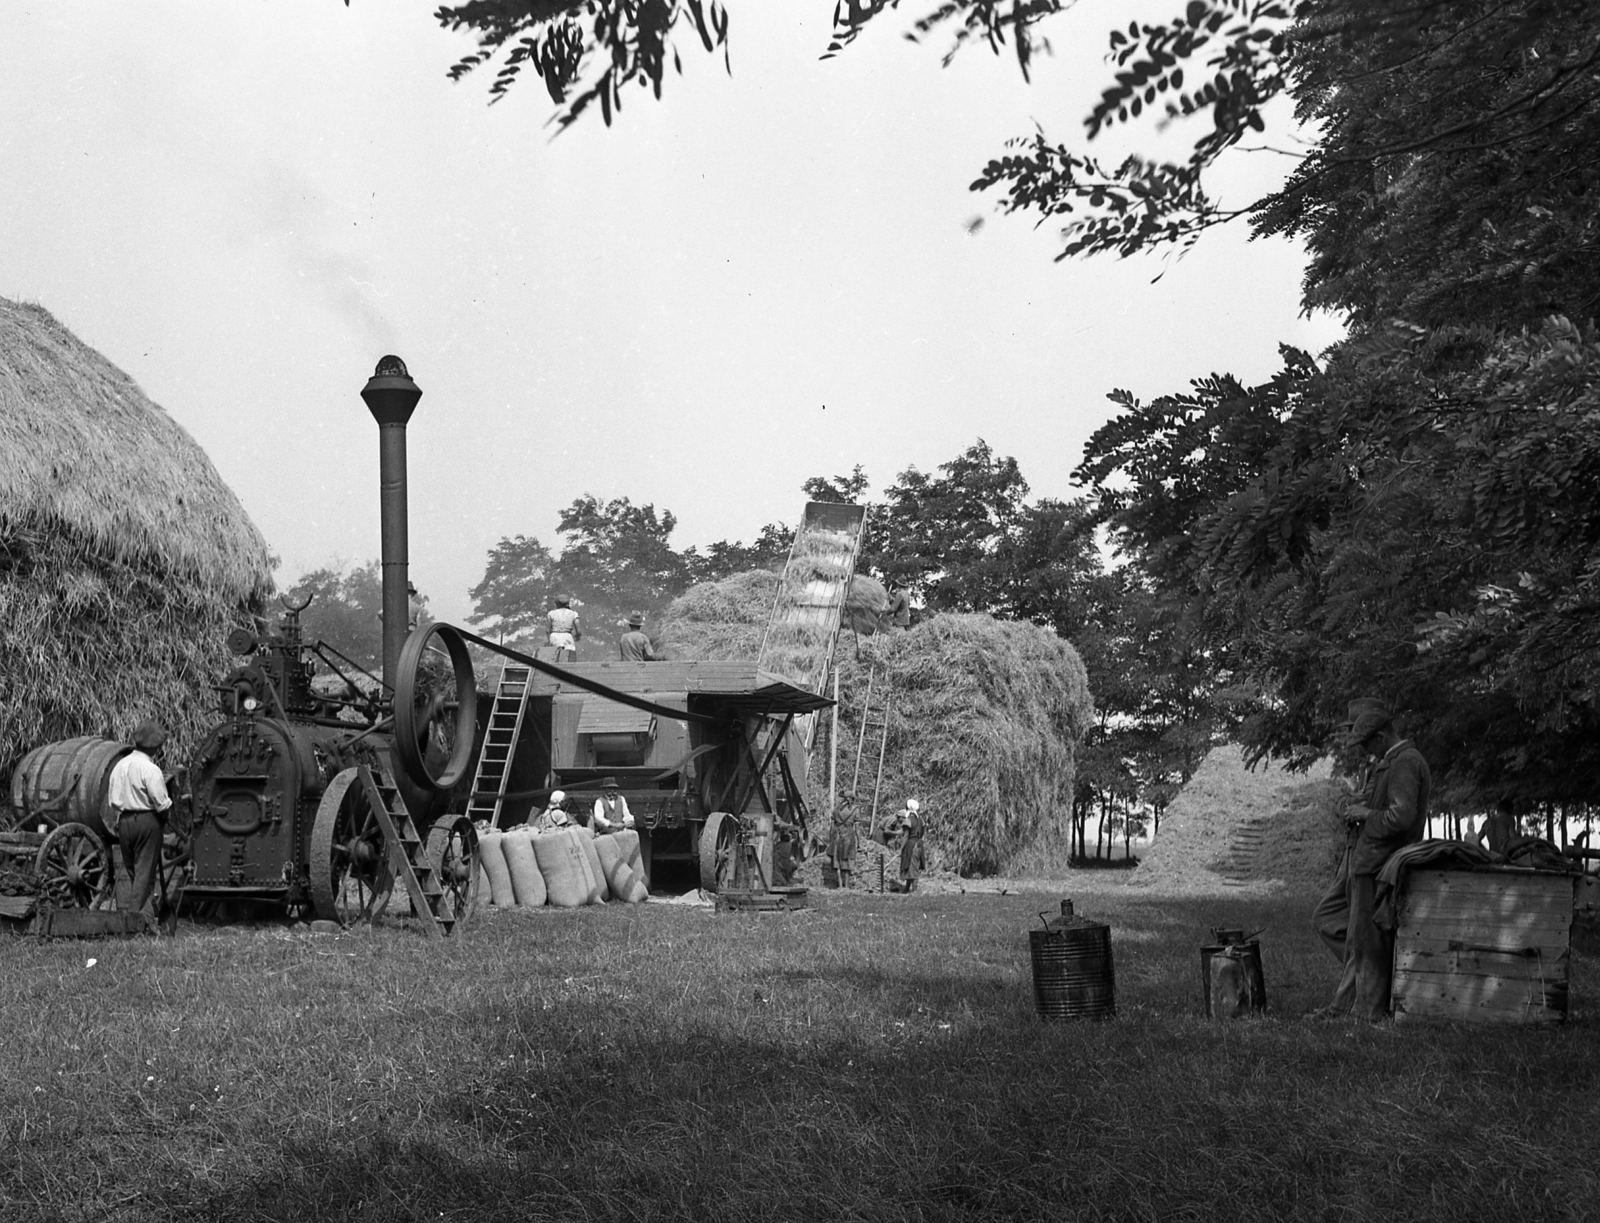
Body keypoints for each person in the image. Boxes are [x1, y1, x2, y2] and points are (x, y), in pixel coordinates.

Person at [1312, 698, 1432, 1021]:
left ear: (1381, 736)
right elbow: (1376, 804)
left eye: (1366, 742)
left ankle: (1365, 1012)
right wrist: (1356, 807)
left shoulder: (1405, 762)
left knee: (1367, 942)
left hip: (1380, 862)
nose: (1365, 750)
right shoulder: (1391, 763)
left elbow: (1402, 817)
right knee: (1356, 938)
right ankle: (1351, 1004)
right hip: (1367, 860)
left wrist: (1365, 813)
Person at [106, 721, 173, 925]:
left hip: (124, 822)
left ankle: (146, 921)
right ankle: (130, 922)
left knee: (136, 874)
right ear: (155, 747)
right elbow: (162, 803)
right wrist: (164, 820)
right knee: (144, 875)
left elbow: (113, 800)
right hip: (147, 821)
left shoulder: (120, 766)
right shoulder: (150, 769)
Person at [897, 797, 926, 893]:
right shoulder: (921, 819)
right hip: (919, 845)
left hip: (911, 845)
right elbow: (923, 834)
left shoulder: (908, 820)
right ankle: (907, 889)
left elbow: (906, 836)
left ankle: (914, 890)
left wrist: (901, 849)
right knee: (913, 867)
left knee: (912, 868)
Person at [831, 809, 858, 889]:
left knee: (837, 861)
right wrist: (859, 842)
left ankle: (840, 885)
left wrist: (831, 840)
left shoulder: (836, 810)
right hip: (849, 837)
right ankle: (846, 886)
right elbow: (857, 829)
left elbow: (832, 827)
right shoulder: (854, 810)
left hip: (838, 836)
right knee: (847, 860)